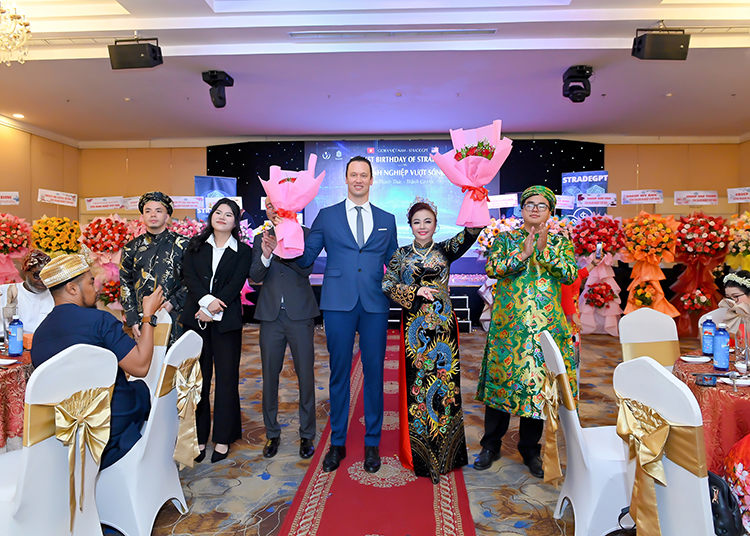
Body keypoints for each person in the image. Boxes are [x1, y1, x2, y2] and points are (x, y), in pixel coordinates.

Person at [295, 156, 398, 474]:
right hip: (338, 303)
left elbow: (395, 263)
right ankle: (337, 442)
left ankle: (372, 443)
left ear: (372, 180)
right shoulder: (326, 216)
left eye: (364, 175)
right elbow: (306, 258)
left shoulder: (387, 218)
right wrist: (287, 235)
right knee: (338, 373)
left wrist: (420, 280)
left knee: (375, 374)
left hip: (375, 304)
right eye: (353, 174)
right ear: (346, 179)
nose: (358, 179)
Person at [475, 185, 578, 478]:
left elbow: (570, 274)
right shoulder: (505, 239)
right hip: (509, 327)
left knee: (538, 388)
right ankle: (490, 445)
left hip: (546, 329)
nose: (535, 209)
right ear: (521, 209)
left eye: (541, 205)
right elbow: (493, 269)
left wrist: (545, 253)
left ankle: (530, 449)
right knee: (501, 383)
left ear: (550, 212)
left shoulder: (560, 242)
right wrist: (523, 254)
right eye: (529, 204)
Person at [31, 253, 164, 469]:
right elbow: (140, 366)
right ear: (72, 289)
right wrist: (148, 315)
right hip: (111, 426)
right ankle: (150, 462)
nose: (97, 289)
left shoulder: (39, 335)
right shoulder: (99, 320)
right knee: (141, 388)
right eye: (91, 282)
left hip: (67, 435)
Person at [382, 197, 481, 483]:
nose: (422, 226)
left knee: (445, 387)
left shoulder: (445, 250)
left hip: (444, 329)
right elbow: (387, 283)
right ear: (410, 226)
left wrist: (475, 197)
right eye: (417, 222)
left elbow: (472, 232)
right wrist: (414, 292)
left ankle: (447, 454)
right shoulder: (401, 255)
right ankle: (421, 456)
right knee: (418, 390)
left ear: (436, 225)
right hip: (415, 331)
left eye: (428, 221)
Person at [180, 198, 253, 463]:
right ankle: (199, 437)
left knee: (226, 379)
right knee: (199, 380)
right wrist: (205, 303)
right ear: (211, 216)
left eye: (228, 214)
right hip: (195, 320)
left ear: (235, 222)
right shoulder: (195, 245)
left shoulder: (242, 251)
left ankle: (223, 437)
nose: (222, 217)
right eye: (218, 212)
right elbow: (189, 277)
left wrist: (212, 309)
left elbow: (236, 284)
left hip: (226, 323)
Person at [250, 198, 319, 460]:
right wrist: (266, 255)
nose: (273, 210)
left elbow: (306, 269)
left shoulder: (306, 234)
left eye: (277, 205)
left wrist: (283, 247)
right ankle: (272, 432)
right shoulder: (261, 237)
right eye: (269, 206)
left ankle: (307, 434)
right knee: (269, 375)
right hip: (270, 316)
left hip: (300, 315)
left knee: (305, 375)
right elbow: (255, 275)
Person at [120, 191, 189, 343]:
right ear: (142, 216)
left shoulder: (183, 245)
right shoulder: (131, 248)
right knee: (146, 356)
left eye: (158, 211)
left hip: (176, 315)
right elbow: (125, 284)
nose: (153, 215)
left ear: (167, 216)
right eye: (148, 211)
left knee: (174, 356)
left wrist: (173, 303)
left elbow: (191, 280)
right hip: (143, 318)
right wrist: (132, 319)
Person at [0, 249, 53, 334]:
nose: (43, 280)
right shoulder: (5, 291)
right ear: (25, 272)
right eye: (38, 275)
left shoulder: (56, 295)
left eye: (47, 276)